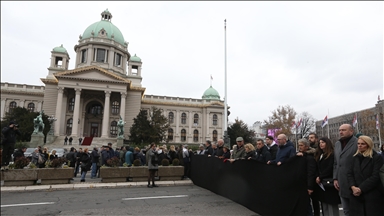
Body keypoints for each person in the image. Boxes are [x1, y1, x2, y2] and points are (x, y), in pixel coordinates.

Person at [347, 135, 384, 216]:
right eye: (358, 143)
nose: (360, 146)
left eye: (363, 144)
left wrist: (361, 188)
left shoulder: (376, 157)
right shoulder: (354, 158)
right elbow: (350, 174)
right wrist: (353, 187)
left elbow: (375, 176)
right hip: (356, 195)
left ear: (368, 144)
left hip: (372, 194)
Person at [333, 124, 358, 216]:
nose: (340, 132)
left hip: (354, 182)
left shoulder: (357, 143)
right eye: (340, 130)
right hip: (341, 182)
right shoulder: (337, 144)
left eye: (343, 130)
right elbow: (336, 163)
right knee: (346, 210)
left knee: (356, 210)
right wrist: (335, 178)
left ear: (351, 131)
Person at [315, 137, 340, 216]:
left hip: (329, 182)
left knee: (331, 205)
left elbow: (330, 168)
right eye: (319, 143)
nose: (321, 144)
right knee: (324, 205)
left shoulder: (332, 154)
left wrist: (320, 176)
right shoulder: (320, 155)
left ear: (327, 143)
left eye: (323, 142)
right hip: (322, 183)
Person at [296, 138, 317, 216]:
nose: (300, 147)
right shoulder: (300, 156)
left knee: (307, 205)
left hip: (306, 185)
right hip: (301, 184)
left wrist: (310, 187)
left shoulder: (310, 158)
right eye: (299, 145)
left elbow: (311, 173)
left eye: (301, 145)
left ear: (306, 147)